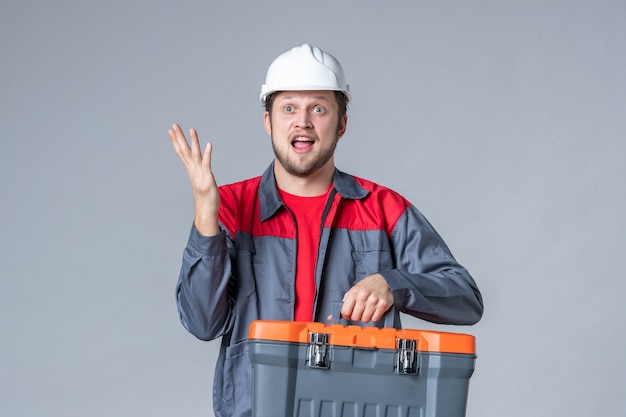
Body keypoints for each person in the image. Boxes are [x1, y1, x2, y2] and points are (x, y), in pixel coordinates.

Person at [169, 43, 483, 417]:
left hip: (359, 407)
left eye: (318, 108)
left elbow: (466, 299)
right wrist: (206, 216)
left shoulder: (383, 209)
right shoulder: (232, 208)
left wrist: (393, 284)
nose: (303, 121)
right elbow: (203, 322)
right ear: (268, 122)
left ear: (342, 123)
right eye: (289, 108)